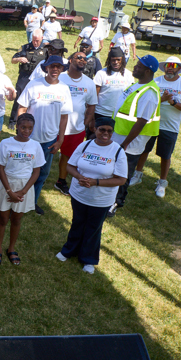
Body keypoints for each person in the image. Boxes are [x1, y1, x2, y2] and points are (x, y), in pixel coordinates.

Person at [56, 116, 128, 274]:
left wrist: (96, 182)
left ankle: (88, 259)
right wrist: (79, 177)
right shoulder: (85, 145)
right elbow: (70, 166)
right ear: (95, 129)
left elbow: (121, 179)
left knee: (93, 228)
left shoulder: (117, 151)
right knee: (77, 223)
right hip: (79, 194)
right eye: (102, 130)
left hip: (101, 199)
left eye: (109, 131)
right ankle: (68, 250)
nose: (105, 133)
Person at [129, 57, 181, 198]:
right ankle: (137, 175)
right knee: (144, 150)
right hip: (151, 122)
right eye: (167, 65)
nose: (170, 68)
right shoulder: (156, 81)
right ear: (164, 67)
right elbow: (145, 100)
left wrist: (173, 102)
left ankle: (162, 182)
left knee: (165, 156)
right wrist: (162, 99)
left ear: (178, 68)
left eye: (173, 65)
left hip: (170, 126)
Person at [16, 55, 73, 215]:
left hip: (49, 140)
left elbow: (64, 117)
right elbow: (22, 108)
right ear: (46, 68)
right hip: (30, 139)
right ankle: (18, 199)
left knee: (42, 173)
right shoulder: (34, 84)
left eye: (58, 66)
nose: (55, 69)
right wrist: (21, 133)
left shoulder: (64, 88)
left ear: (62, 69)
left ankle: (32, 202)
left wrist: (60, 140)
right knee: (24, 172)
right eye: (52, 66)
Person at [108, 55, 161, 218]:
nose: (135, 67)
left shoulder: (150, 93)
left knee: (123, 172)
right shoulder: (136, 85)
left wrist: (125, 143)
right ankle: (108, 197)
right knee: (113, 169)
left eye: (139, 66)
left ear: (148, 71)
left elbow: (141, 121)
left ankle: (116, 202)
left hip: (130, 143)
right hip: (119, 135)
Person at [0, 113, 44, 266]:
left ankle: (11, 248)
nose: (26, 131)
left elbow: (36, 171)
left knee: (17, 219)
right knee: (3, 218)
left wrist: (23, 191)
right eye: (23, 127)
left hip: (24, 187)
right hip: (6, 184)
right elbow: (1, 168)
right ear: (17, 127)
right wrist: (9, 191)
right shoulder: (6, 143)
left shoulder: (36, 146)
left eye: (30, 128)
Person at [54, 52, 97, 196]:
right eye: (79, 57)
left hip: (75, 129)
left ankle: (61, 181)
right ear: (70, 60)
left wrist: (85, 123)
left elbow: (91, 105)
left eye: (85, 59)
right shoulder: (60, 77)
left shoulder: (89, 83)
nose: (82, 60)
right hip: (53, 126)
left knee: (68, 156)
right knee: (46, 155)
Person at [9, 28, 47, 129]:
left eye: (37, 40)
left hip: (38, 78)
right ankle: (13, 121)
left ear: (42, 38)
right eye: (33, 40)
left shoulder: (46, 49)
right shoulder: (25, 47)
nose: (35, 42)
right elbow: (13, 60)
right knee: (19, 97)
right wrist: (19, 59)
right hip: (25, 76)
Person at [93, 48, 134, 129]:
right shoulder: (101, 74)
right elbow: (94, 96)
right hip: (101, 113)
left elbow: (131, 96)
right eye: (113, 60)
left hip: (119, 114)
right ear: (109, 60)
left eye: (118, 60)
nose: (116, 62)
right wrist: (92, 117)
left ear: (122, 60)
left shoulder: (128, 75)